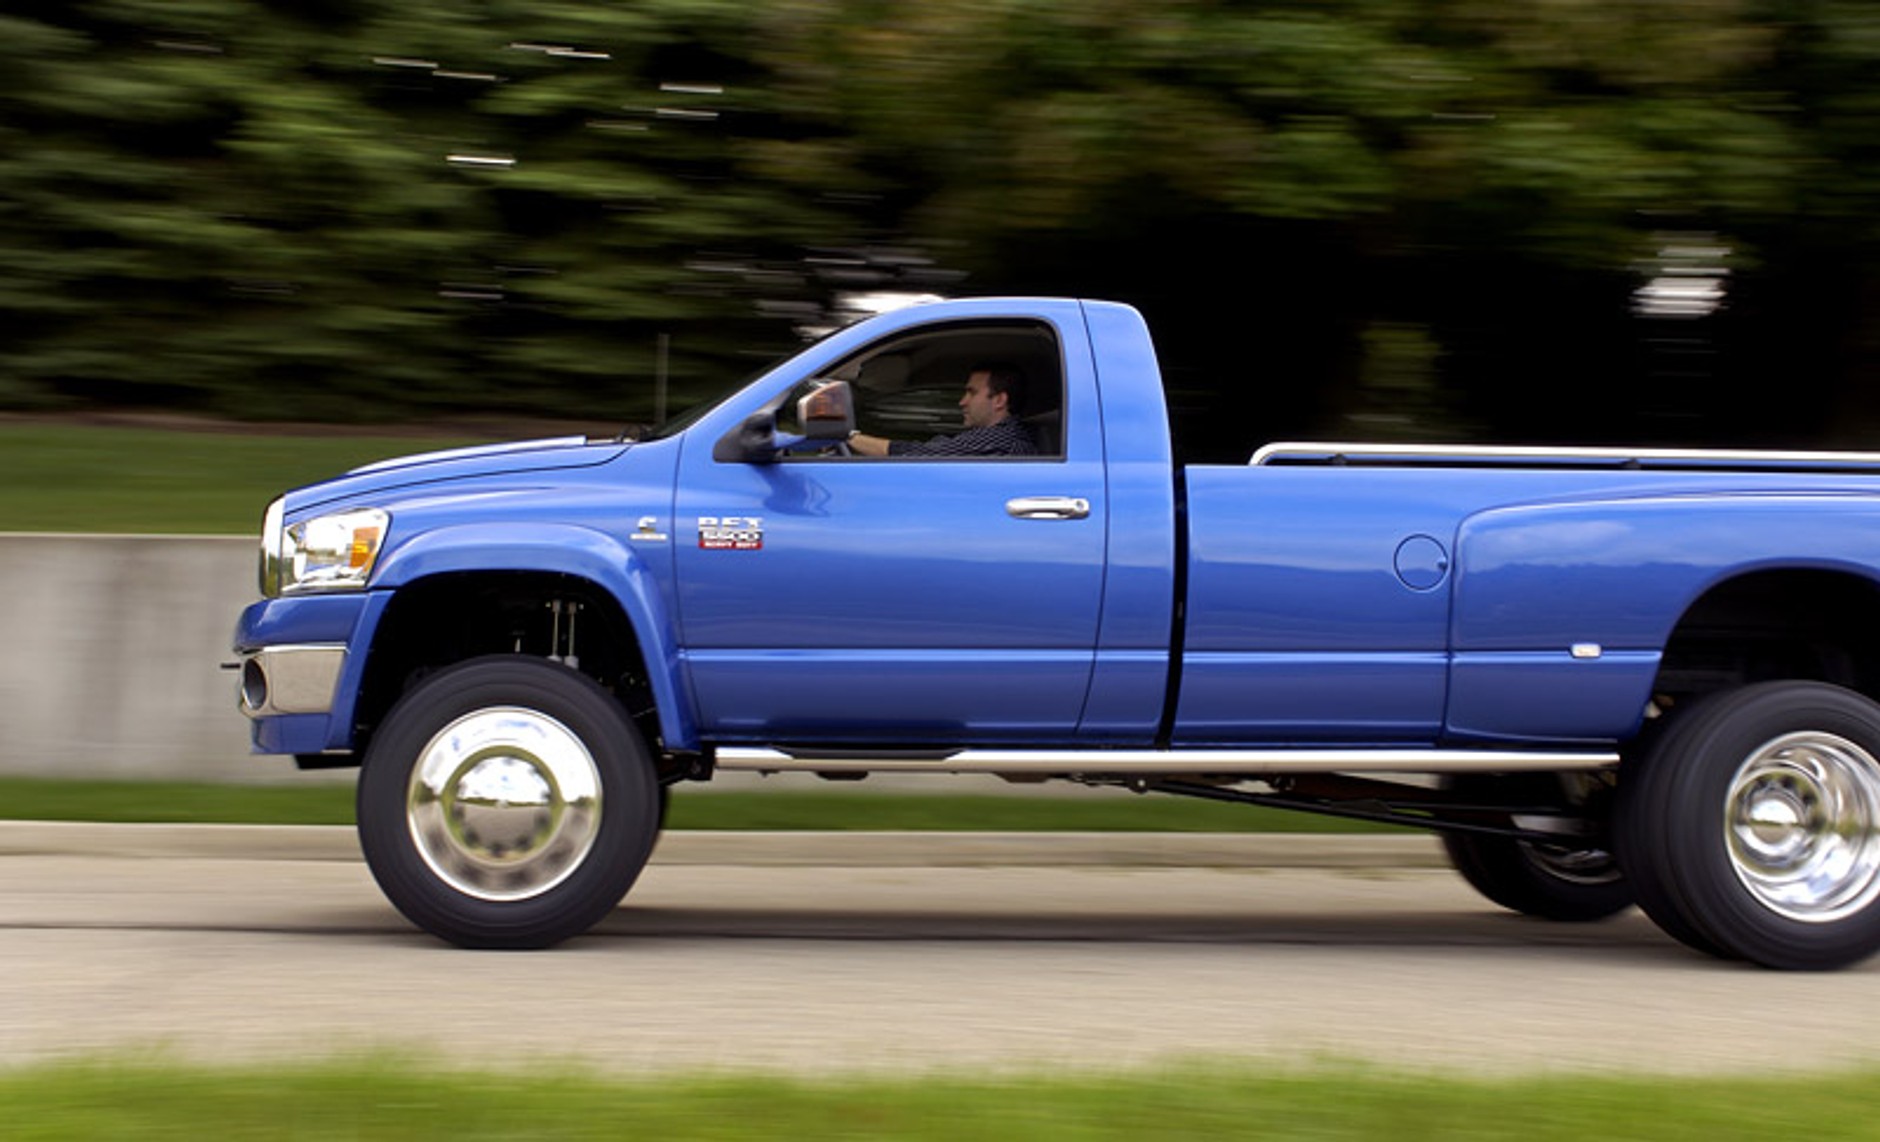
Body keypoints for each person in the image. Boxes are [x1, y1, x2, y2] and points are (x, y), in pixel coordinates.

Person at [847, 363, 1039, 457]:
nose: (962, 402)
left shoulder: (997, 439)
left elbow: (920, 456)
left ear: (999, 400)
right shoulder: (1004, 436)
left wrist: (847, 437)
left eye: (972, 393)